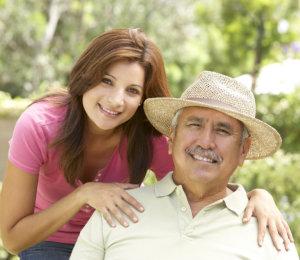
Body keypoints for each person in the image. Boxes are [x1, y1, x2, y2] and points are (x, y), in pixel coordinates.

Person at [0, 27, 291, 259]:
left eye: (132, 90)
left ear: (142, 99)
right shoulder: (40, 125)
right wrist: (84, 194)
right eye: (106, 80)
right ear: (85, 75)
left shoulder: (150, 137)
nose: (115, 100)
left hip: (119, 230)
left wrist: (256, 196)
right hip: (50, 240)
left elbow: (199, 182)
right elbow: (12, 239)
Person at [70, 71, 299, 260]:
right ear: (172, 137)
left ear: (244, 150)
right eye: (194, 125)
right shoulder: (115, 211)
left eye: (222, 130)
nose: (205, 142)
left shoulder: (272, 235)